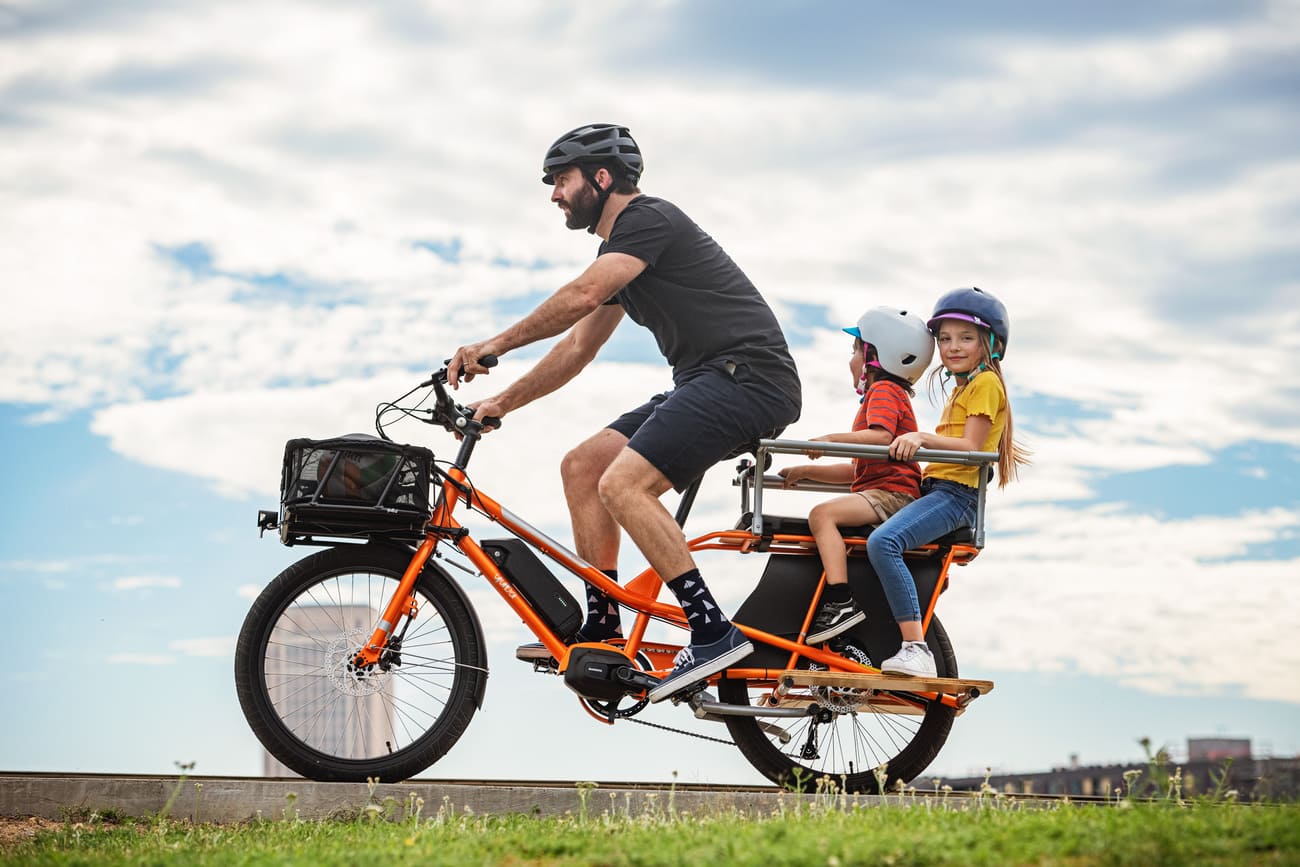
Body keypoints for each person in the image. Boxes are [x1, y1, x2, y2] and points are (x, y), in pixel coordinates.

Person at [445, 124, 801, 702]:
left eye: (562, 180)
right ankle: (605, 629)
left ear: (602, 178)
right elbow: (577, 347)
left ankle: (713, 632)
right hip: (707, 381)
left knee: (623, 484)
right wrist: (502, 401)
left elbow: (582, 295)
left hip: (748, 380)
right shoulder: (622, 254)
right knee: (583, 466)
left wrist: (494, 345)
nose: (555, 195)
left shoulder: (648, 220)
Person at [866, 287, 1029, 677]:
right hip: (938, 489)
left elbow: (970, 446)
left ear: (990, 344)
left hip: (956, 496)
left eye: (966, 338)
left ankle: (915, 648)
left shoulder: (985, 384)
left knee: (884, 542)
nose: (953, 347)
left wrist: (921, 438)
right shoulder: (965, 388)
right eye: (945, 339)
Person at [777, 306, 933, 644]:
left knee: (822, 515)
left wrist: (831, 440)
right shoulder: (883, 396)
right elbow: (856, 472)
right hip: (883, 492)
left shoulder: (884, 391)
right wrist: (807, 472)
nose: (850, 360)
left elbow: (882, 438)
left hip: (893, 495)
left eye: (855, 351)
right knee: (825, 515)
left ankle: (840, 600)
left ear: (875, 356)